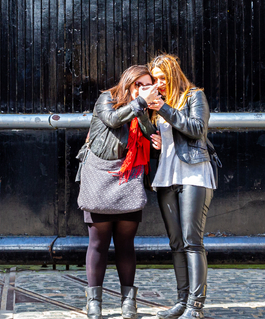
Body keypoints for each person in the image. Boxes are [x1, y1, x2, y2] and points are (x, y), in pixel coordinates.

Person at [80, 65, 158, 319]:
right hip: (100, 175)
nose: (144, 90)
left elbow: (148, 133)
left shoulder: (142, 106)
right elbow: (113, 120)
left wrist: (147, 110)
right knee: (98, 243)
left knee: (126, 244)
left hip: (129, 176)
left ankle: (128, 304)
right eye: (140, 85)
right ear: (128, 83)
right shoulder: (106, 99)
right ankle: (94, 303)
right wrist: (140, 102)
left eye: (148, 85)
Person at [144, 54, 216, 319]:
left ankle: (195, 306)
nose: (159, 83)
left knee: (191, 241)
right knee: (176, 243)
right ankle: (182, 300)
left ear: (174, 74)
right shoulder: (156, 105)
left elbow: (197, 129)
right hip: (166, 177)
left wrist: (162, 107)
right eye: (155, 79)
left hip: (194, 175)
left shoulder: (193, 96)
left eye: (163, 78)